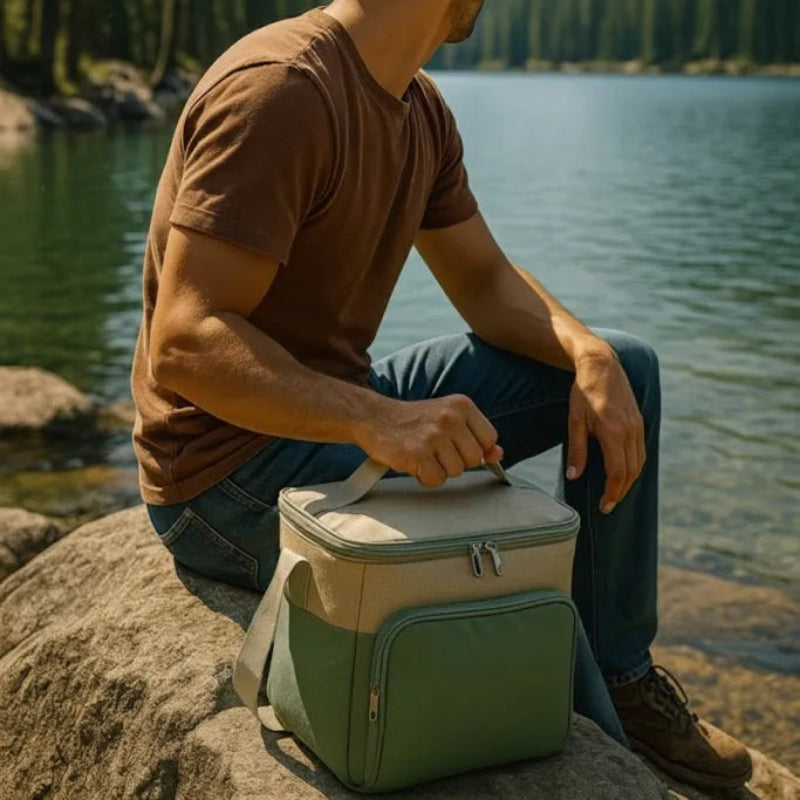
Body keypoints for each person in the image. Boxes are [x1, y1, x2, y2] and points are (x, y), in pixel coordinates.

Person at [132, 0, 752, 791]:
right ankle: (599, 747)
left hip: (335, 408)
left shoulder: (416, 106)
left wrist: (586, 350)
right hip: (222, 473)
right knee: (495, 567)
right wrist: (378, 420)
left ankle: (624, 680)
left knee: (622, 369)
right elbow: (186, 341)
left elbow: (487, 284)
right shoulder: (282, 91)